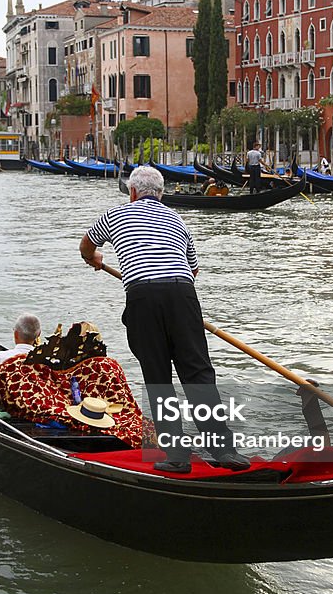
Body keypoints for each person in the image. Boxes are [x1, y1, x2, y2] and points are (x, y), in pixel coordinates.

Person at [80, 164, 250, 473]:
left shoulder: (115, 215)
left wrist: (93, 258)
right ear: (161, 194)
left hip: (143, 297)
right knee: (198, 374)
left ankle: (177, 458)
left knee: (158, 377)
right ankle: (224, 452)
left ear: (132, 192)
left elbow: (86, 244)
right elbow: (193, 269)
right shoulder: (178, 220)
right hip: (183, 295)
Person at [0, 314, 42, 398]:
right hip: (33, 404)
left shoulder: (0, 357)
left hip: (5, 404)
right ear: (38, 334)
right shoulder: (44, 361)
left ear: (16, 334)